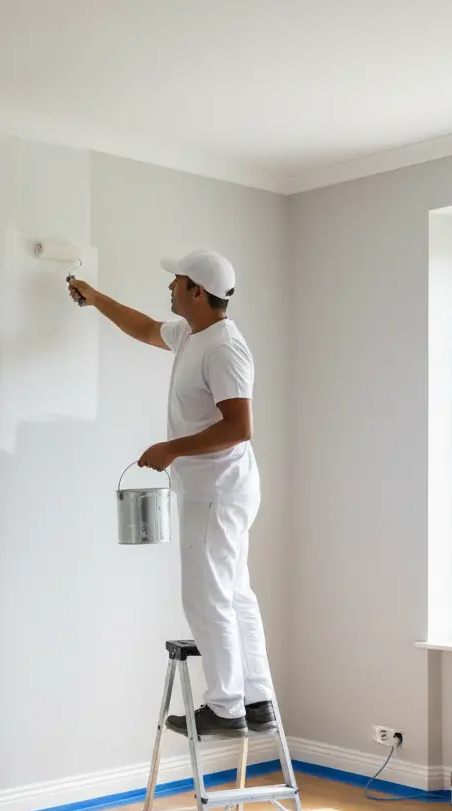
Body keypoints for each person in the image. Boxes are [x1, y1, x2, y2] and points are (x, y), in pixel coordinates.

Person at [67, 250, 275, 735]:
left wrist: (170, 448)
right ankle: (257, 697)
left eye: (176, 281)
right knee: (234, 592)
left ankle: (225, 707)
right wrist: (95, 298)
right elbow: (143, 328)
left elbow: (240, 427)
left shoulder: (224, 348)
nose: (170, 288)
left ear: (198, 292)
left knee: (206, 597)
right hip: (214, 490)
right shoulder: (192, 334)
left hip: (216, 492)